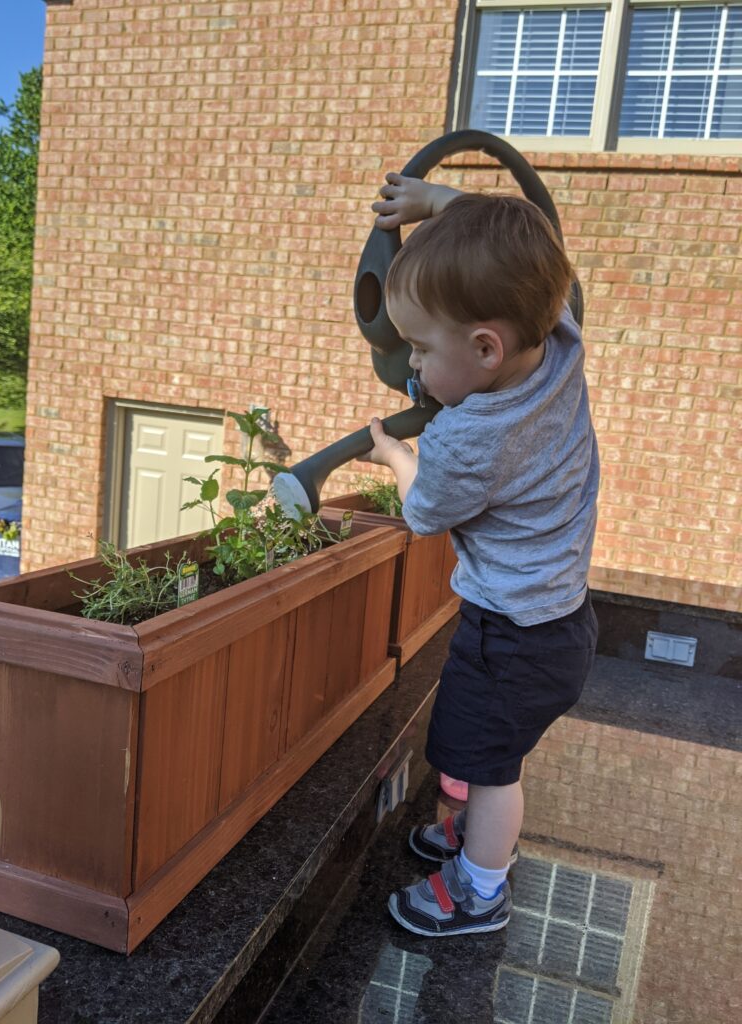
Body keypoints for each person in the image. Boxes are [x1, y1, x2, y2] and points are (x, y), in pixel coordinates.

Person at [359, 174, 599, 937]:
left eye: (423, 350)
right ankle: (467, 840)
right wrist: (436, 203)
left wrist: (396, 454)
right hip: (558, 618)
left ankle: (479, 892)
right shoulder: (559, 336)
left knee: (492, 768)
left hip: (513, 634)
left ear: (485, 348)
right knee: (470, 739)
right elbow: (531, 243)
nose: (415, 370)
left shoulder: (469, 438)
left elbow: (425, 512)